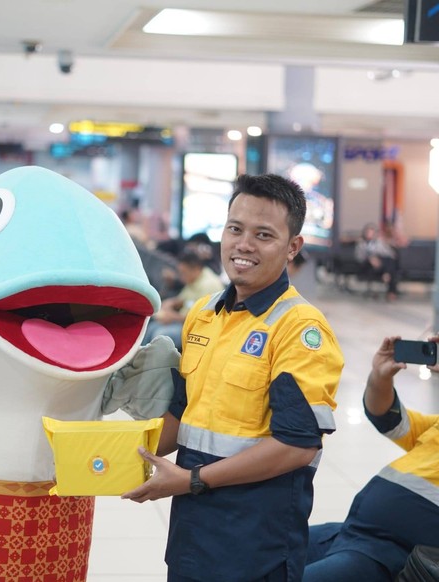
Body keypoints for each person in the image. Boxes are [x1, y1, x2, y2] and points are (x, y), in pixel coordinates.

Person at [122, 173, 344, 582]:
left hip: (255, 541)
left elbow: (296, 446)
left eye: (264, 234)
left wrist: (191, 480)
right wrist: (107, 452)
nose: (244, 244)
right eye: (235, 229)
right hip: (191, 532)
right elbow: (182, 411)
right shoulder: (204, 314)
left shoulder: (299, 328)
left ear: (293, 247)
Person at [303, 334, 439, 581]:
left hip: (387, 554)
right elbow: (387, 417)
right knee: (251, 552)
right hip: (352, 533)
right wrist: (380, 377)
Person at [141, 250, 224, 349]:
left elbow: (202, 319)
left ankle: (157, 364)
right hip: (183, 320)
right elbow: (184, 299)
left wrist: (173, 317)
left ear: (195, 269)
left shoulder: (209, 285)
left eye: (183, 273)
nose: (181, 277)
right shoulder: (194, 279)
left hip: (197, 329)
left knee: (160, 334)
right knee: (151, 327)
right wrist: (171, 303)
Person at [354, 222, 399, 301]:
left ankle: (386, 274)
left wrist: (378, 258)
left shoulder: (379, 243)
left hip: (380, 264)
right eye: (368, 232)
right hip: (367, 265)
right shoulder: (361, 244)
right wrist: (370, 259)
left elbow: (390, 254)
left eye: (371, 232)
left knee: (389, 260)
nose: (370, 234)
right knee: (387, 265)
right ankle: (390, 288)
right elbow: (359, 257)